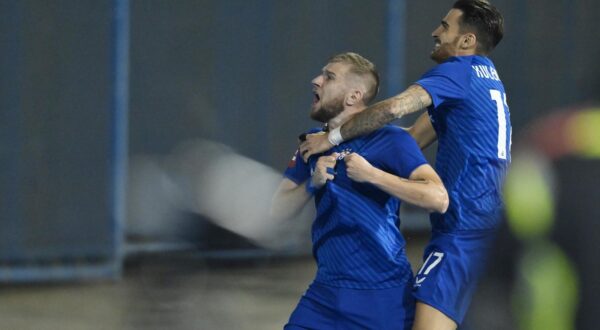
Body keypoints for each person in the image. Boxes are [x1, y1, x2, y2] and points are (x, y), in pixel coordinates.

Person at [298, 1, 511, 329]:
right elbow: (409, 138)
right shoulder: (487, 79)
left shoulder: (457, 71)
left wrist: (333, 138)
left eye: (444, 26)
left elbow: (395, 108)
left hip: (463, 231)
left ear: (467, 41)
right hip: (489, 229)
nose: (435, 33)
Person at [271, 52, 448, 330]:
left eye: (329, 76)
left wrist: (373, 175)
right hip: (324, 296)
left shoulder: (391, 139)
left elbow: (438, 198)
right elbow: (275, 212)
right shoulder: (313, 144)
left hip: (382, 297)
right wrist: (311, 184)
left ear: (353, 96)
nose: (316, 80)